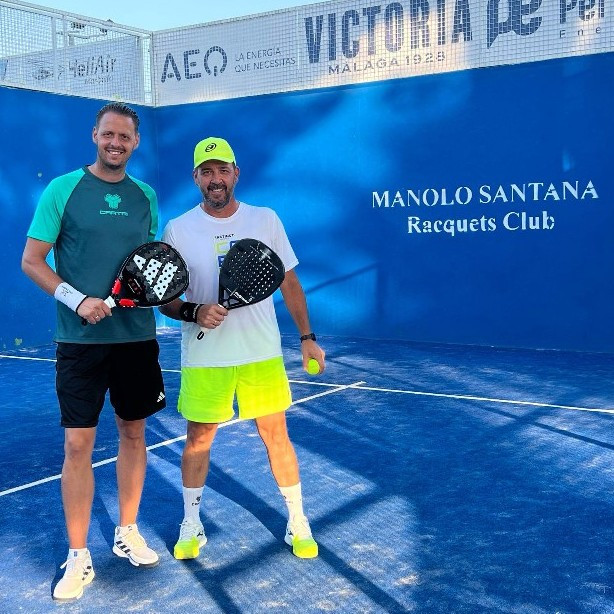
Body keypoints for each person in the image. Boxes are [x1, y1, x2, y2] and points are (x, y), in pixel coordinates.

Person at [21, 102, 165, 602]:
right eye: (108, 134)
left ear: (135, 142)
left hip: (136, 339)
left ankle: (127, 531)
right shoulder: (62, 190)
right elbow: (32, 260)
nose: (115, 143)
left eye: (124, 136)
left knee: (133, 433)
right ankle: (79, 555)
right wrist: (77, 300)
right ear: (95, 136)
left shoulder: (145, 196)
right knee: (78, 446)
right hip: (79, 343)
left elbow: (149, 266)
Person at [159, 137, 325, 560]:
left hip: (260, 353)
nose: (215, 179)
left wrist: (307, 338)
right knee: (198, 440)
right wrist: (195, 311)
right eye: (207, 172)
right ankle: (191, 523)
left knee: (276, 436)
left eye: (222, 170)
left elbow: (288, 282)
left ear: (236, 173)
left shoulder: (265, 219)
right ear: (196, 178)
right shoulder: (178, 228)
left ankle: (297, 520)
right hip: (205, 357)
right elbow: (167, 299)